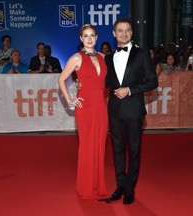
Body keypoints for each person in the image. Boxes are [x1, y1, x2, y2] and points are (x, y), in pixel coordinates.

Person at [105, 18, 158, 205]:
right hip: (114, 111)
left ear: (132, 33)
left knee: (134, 150)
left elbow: (153, 81)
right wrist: (81, 83)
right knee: (117, 150)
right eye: (120, 30)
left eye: (127, 30)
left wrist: (130, 90)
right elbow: (104, 83)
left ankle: (130, 189)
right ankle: (120, 185)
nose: (124, 34)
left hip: (134, 109)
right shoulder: (108, 57)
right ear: (114, 33)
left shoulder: (142, 54)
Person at [58, 24, 108, 200]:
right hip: (85, 107)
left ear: (96, 37)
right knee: (87, 146)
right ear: (81, 38)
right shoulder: (76, 58)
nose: (89, 39)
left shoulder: (103, 57)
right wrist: (70, 100)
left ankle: (98, 184)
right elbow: (61, 79)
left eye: (92, 36)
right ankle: (86, 186)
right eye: (85, 36)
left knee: (100, 146)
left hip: (101, 107)